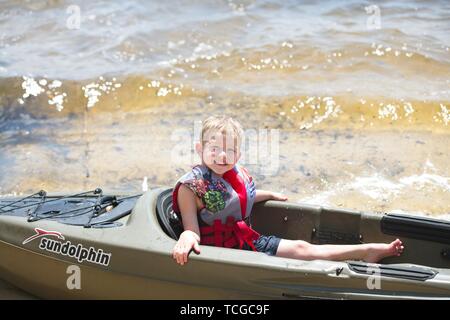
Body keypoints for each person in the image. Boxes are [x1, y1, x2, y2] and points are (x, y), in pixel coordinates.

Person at [172, 116, 404, 266]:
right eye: (214, 149)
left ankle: (366, 251)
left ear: (239, 154)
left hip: (244, 242)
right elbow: (191, 229)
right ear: (200, 149)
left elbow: (238, 198)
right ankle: (366, 252)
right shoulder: (191, 188)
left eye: (230, 150)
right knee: (302, 249)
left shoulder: (232, 174)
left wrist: (267, 194)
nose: (223, 156)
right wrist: (185, 238)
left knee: (302, 247)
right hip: (225, 255)